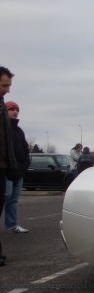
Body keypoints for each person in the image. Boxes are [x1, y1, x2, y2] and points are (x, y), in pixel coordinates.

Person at [0, 66, 18, 266]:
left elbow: (6, 140)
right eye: (5, 85)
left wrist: (11, 164)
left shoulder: (2, 105)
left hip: (3, 166)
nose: (8, 89)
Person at [3, 100, 29, 233]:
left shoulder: (19, 131)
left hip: (19, 171)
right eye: (11, 109)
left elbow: (25, 149)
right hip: (7, 171)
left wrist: (25, 166)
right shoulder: (3, 129)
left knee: (13, 199)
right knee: (5, 196)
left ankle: (12, 225)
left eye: (17, 109)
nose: (15, 112)